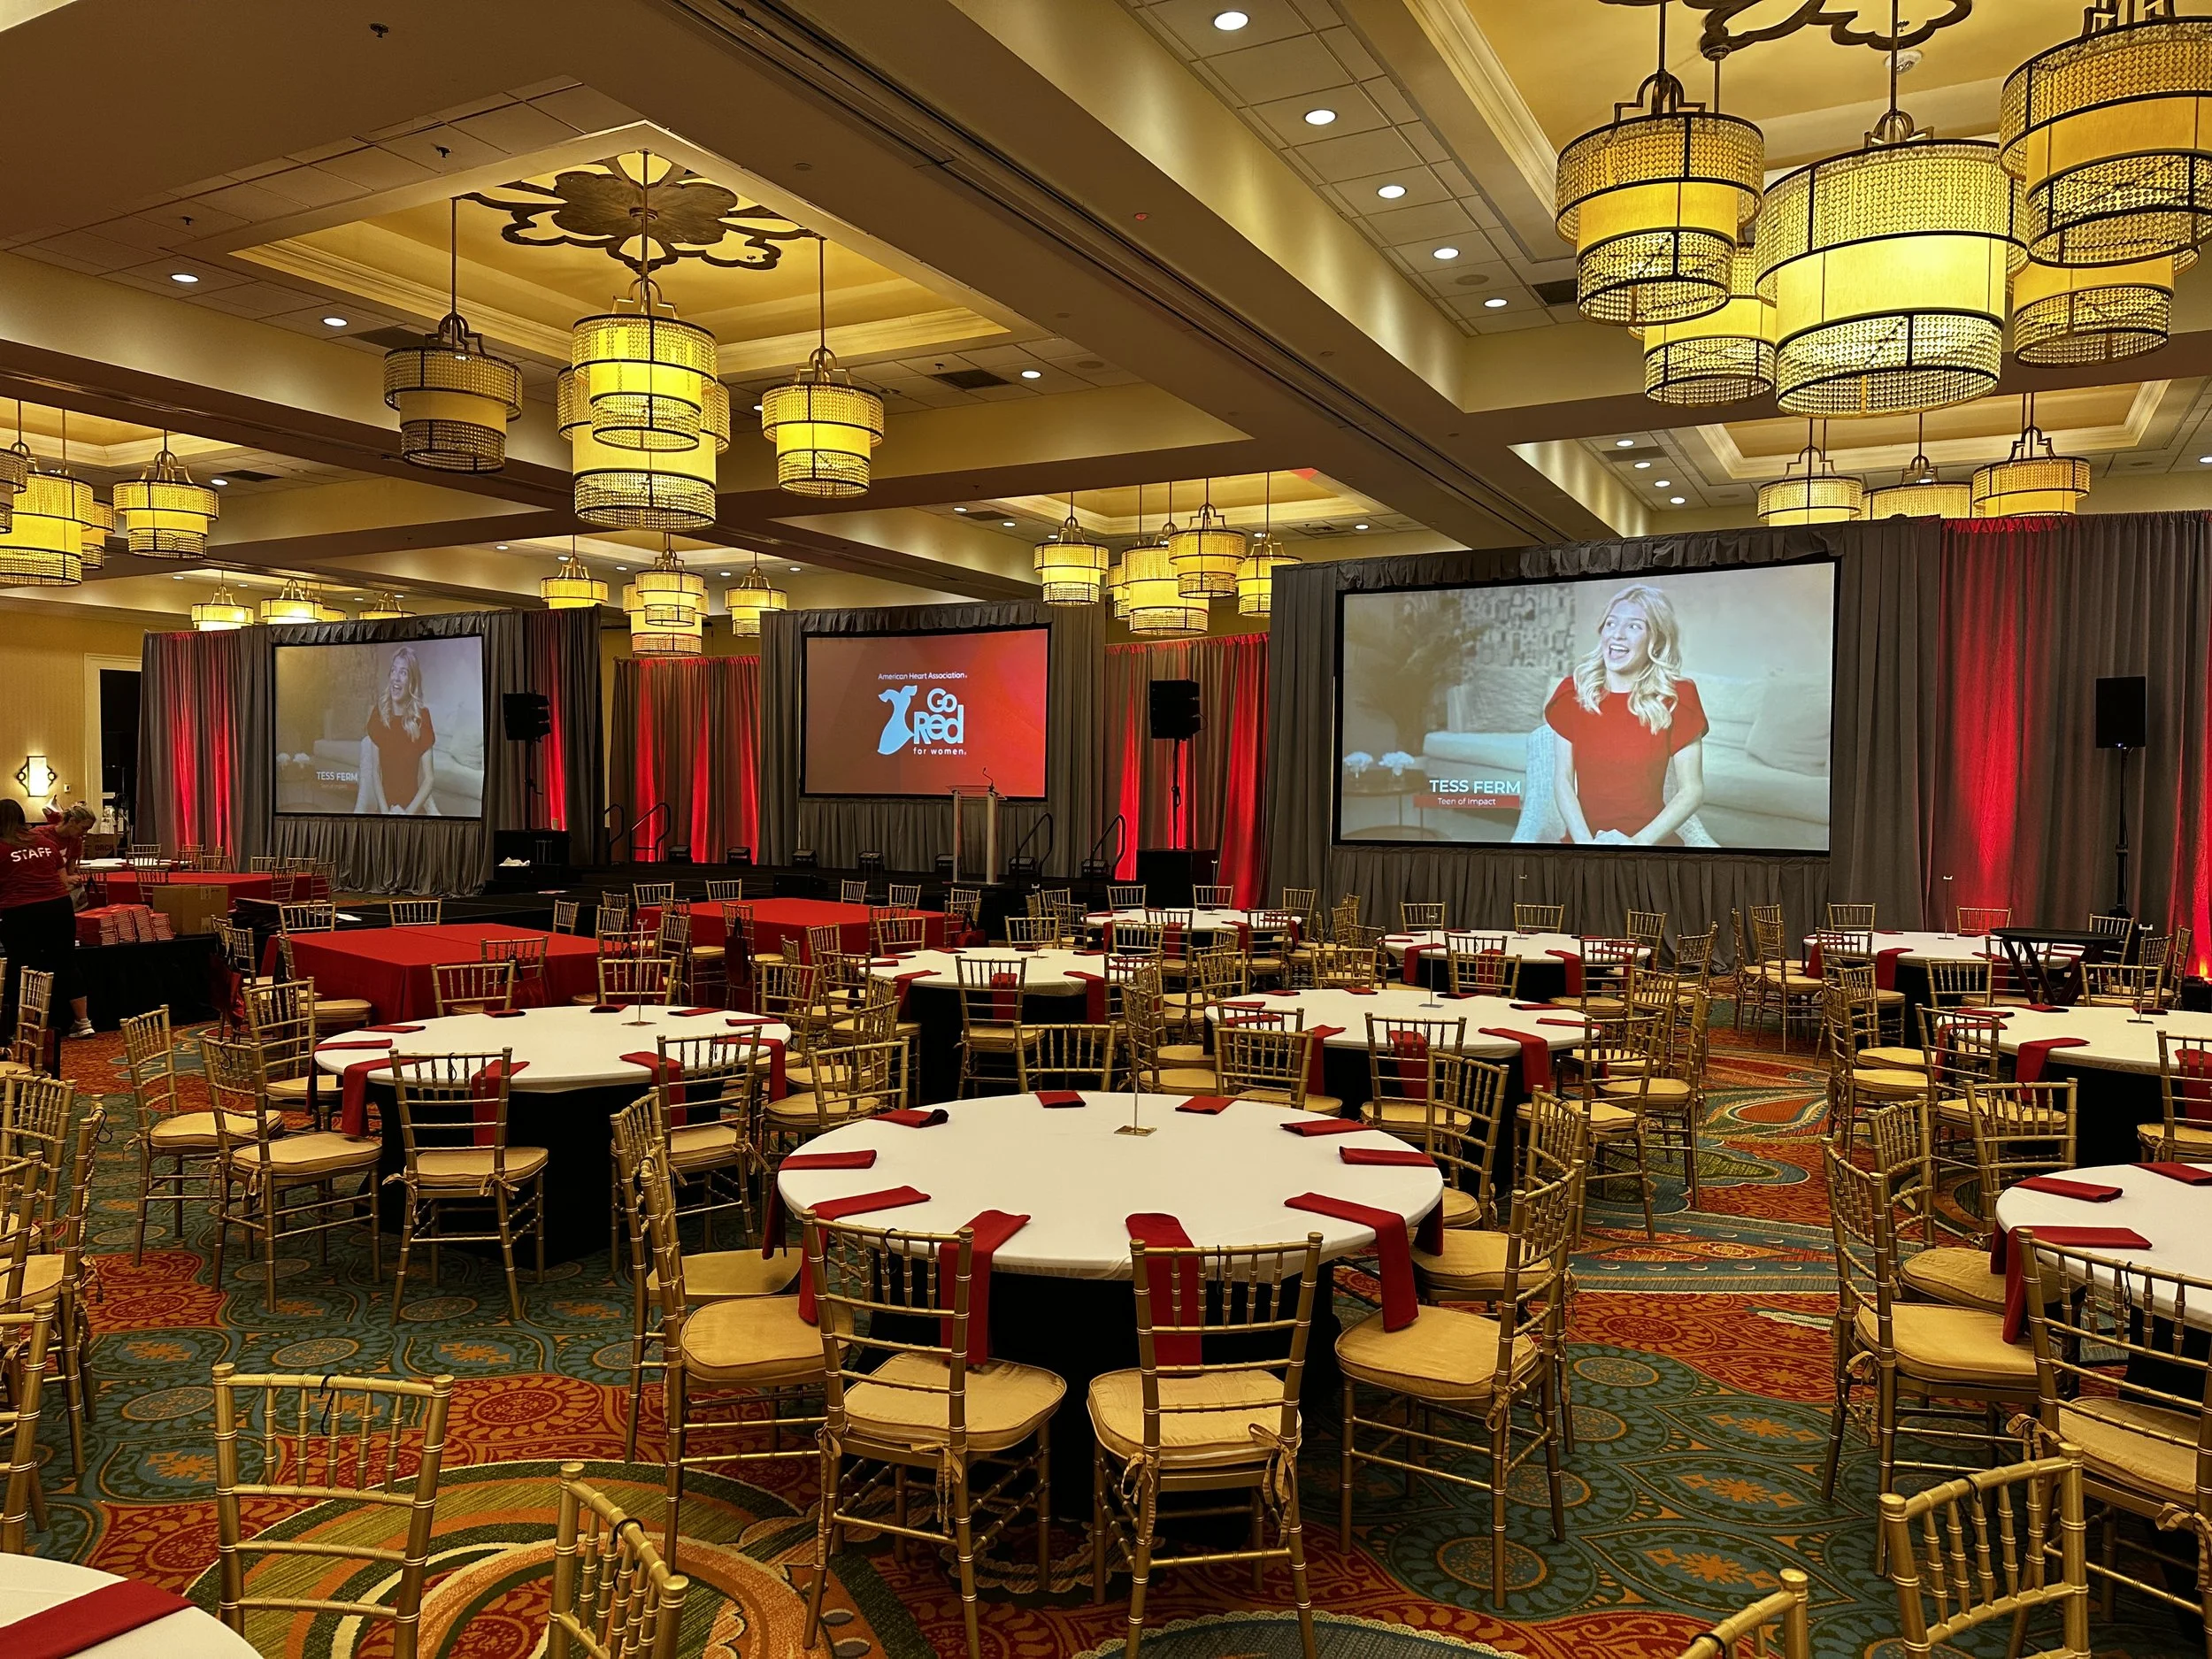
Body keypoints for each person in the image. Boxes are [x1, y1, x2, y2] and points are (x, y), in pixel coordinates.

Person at [1543, 582, 1708, 847]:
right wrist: (1585, 843)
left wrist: (1638, 842)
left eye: (1634, 626)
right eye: (1611, 623)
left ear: (1656, 639)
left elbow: (1692, 791)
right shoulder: (1571, 693)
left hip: (1648, 845)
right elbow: (1563, 780)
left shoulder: (1679, 697)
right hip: (1584, 844)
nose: (1617, 635)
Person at [0, 798, 93, 1041]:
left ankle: (23, 1027)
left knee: (23, 965)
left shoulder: (1, 847)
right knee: (66, 962)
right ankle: (83, 1022)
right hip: (58, 907)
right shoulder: (45, 842)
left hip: (21, 911)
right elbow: (62, 879)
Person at [355, 645, 441, 817]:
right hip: (386, 811)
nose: (396, 678)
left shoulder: (422, 717)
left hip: (412, 812)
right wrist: (387, 813)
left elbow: (429, 779)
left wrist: (406, 814)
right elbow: (375, 772)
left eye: (403, 673)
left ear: (412, 681)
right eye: (393, 671)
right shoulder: (378, 714)